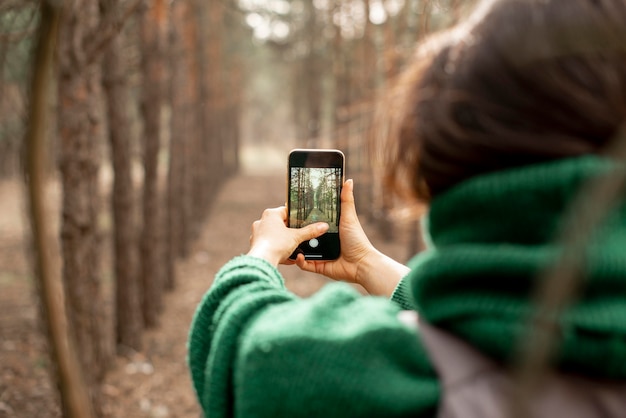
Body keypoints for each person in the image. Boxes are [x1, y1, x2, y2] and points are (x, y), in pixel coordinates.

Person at [187, 0, 626, 416]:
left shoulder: (402, 379)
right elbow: (514, 310)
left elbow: (240, 351)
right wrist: (368, 265)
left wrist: (259, 256)